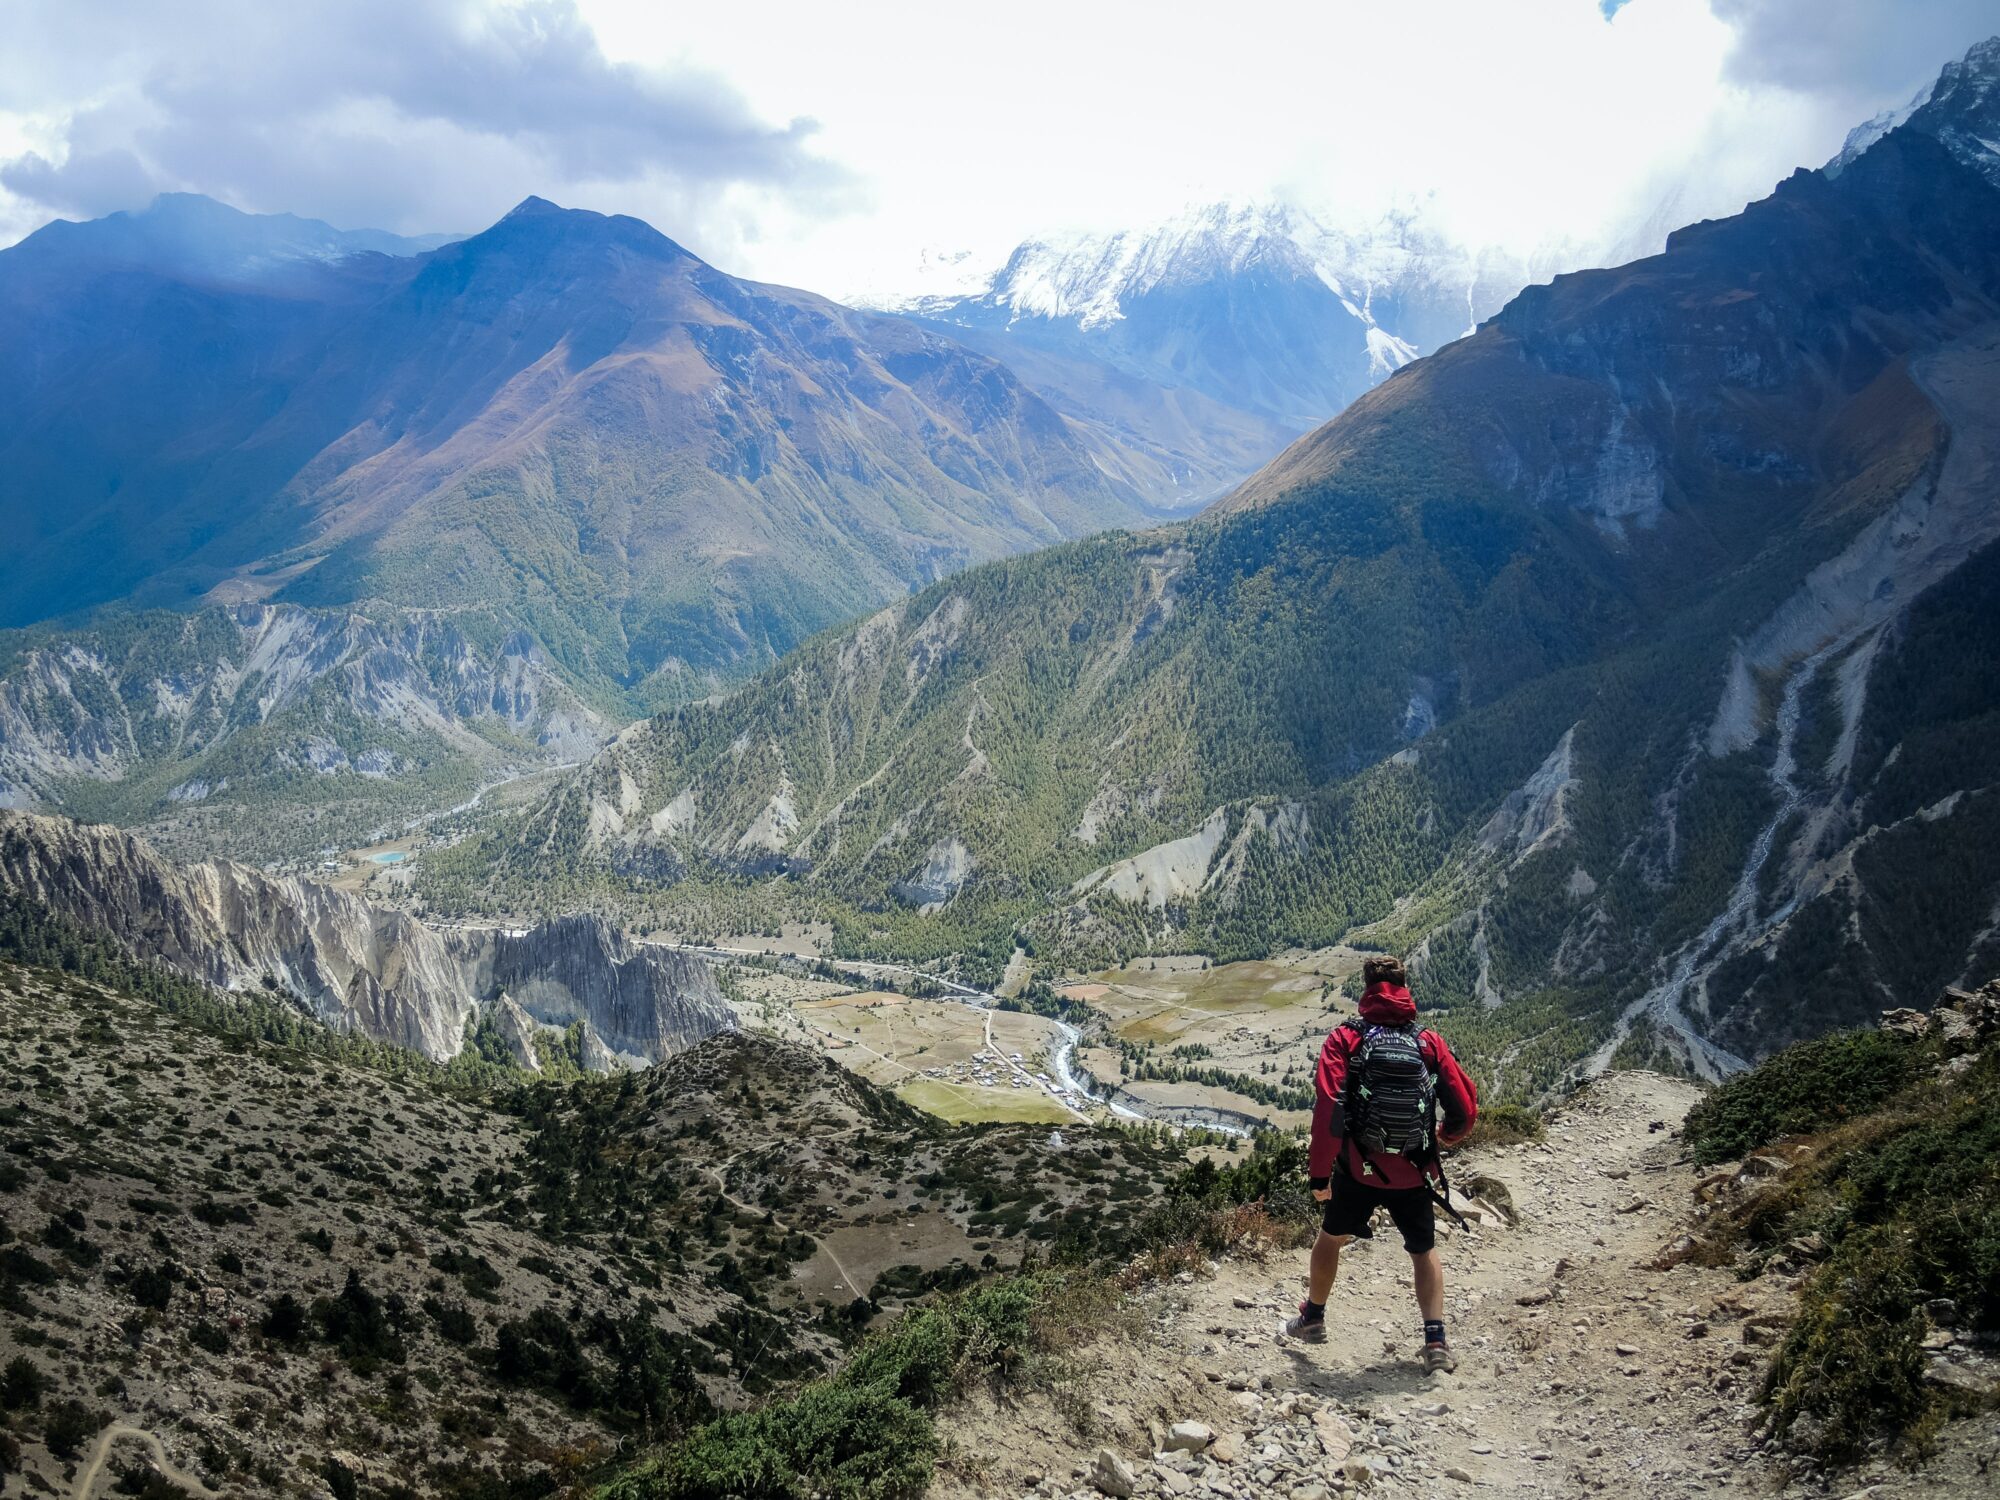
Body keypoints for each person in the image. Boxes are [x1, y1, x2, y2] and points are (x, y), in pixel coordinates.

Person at [1281, 954, 1478, 1373]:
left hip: (1358, 1169)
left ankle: (1313, 1317)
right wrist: (1447, 1136)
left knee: (1330, 1239)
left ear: (1366, 988)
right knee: (1423, 1251)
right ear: (1405, 988)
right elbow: (1463, 1107)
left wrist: (1319, 1173)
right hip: (1414, 1171)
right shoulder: (1428, 1041)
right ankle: (1436, 1340)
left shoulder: (1345, 1040)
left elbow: (1328, 1108)